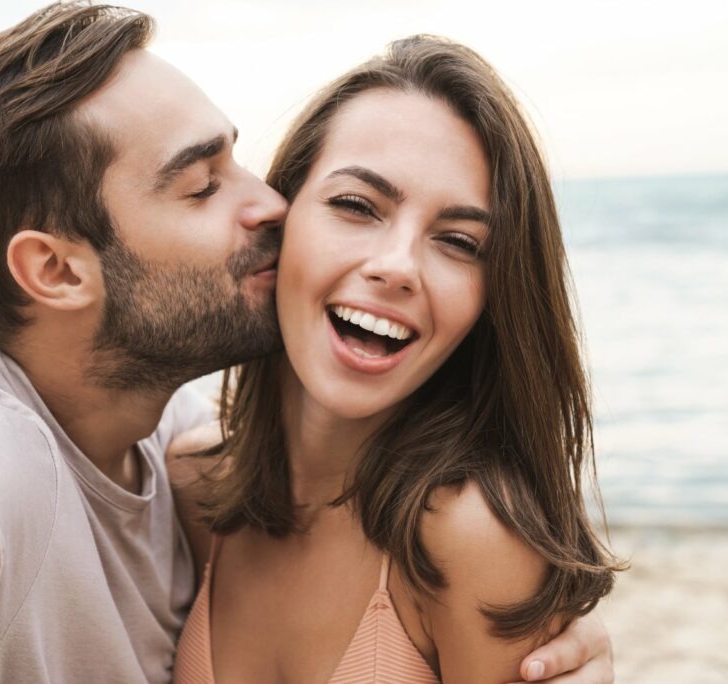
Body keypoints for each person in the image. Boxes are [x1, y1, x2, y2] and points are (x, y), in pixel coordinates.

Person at [0, 4, 613, 683]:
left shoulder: (180, 456)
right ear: (57, 271)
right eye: (202, 185)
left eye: (461, 241)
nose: (268, 204)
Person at [170, 35, 623, 683]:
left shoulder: (471, 539)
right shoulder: (191, 483)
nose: (397, 267)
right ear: (281, 215)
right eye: (357, 206)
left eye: (460, 242)